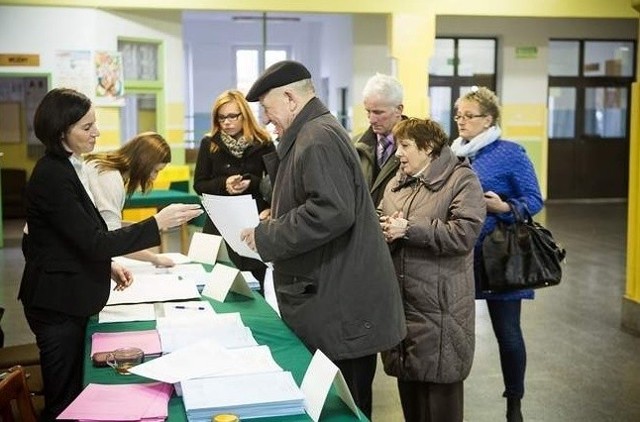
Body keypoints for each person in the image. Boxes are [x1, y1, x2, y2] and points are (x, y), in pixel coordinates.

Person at [18, 88, 202, 422]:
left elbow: (84, 235)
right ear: (62, 131)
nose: (97, 133)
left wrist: (105, 265)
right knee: (64, 399)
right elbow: (95, 241)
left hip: (68, 295)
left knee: (72, 385)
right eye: (87, 127)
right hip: (56, 301)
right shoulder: (52, 175)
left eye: (95, 125)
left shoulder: (68, 166)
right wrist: (157, 223)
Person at [239, 60, 406, 419]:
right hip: (334, 299)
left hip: (343, 306)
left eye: (268, 109)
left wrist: (268, 234)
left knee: (348, 409)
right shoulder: (312, 133)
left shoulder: (316, 138)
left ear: (290, 98)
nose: (266, 119)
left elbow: (331, 211)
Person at [378, 118, 486, 422]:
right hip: (404, 307)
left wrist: (409, 229)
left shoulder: (462, 180)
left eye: (405, 146)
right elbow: (383, 215)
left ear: (427, 147)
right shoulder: (398, 181)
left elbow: (464, 234)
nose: (398, 153)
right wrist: (382, 226)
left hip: (441, 310)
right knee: (411, 395)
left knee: (440, 401)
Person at [450, 86, 543, 422]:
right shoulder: (452, 154)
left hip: (500, 258)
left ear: (488, 119)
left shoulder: (511, 153)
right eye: (458, 114)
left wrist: (504, 206)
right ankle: (449, 398)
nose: (461, 121)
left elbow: (534, 199)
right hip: (459, 256)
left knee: (508, 333)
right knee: (454, 332)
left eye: (468, 116)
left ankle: (514, 402)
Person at [193, 89, 275, 286]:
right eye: (221, 118)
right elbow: (199, 184)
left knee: (256, 279)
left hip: (253, 219)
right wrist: (224, 184)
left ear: (244, 115)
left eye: (232, 116)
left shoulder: (263, 142)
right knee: (216, 282)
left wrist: (253, 183)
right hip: (219, 221)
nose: (226, 122)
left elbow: (277, 181)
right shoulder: (209, 143)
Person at [84, 132, 175, 267]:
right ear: (143, 162)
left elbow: (104, 223)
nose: (154, 177)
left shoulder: (104, 166)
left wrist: (134, 227)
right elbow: (113, 240)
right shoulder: (109, 177)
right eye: (155, 170)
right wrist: (154, 258)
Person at [354, 73, 406, 207]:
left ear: (398, 110)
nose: (371, 119)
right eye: (368, 111)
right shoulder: (354, 146)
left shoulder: (421, 147)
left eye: (378, 112)